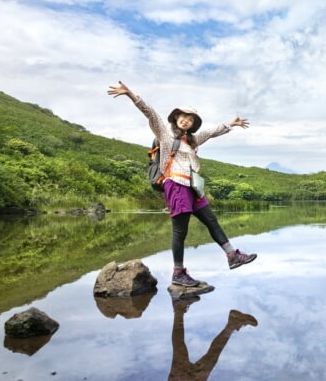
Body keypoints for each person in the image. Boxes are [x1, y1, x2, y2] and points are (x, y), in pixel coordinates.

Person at [107, 81, 257, 287]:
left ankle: (232, 256)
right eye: (183, 117)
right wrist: (131, 94)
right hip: (176, 185)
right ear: (176, 118)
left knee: (212, 221)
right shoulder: (165, 136)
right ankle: (178, 272)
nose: (186, 120)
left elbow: (212, 132)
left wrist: (231, 124)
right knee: (180, 231)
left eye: (190, 119)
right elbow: (150, 113)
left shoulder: (193, 140)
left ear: (193, 123)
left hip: (193, 188)